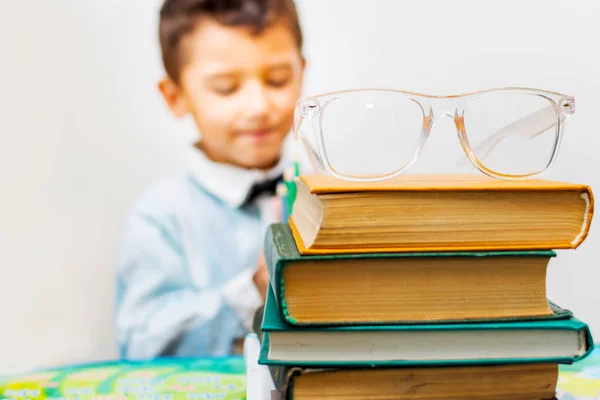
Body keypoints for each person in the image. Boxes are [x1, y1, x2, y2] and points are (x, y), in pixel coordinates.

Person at [115, 0, 305, 359]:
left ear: (302, 73)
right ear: (175, 96)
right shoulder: (158, 218)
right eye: (226, 88)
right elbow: (138, 344)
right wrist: (254, 291)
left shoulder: (329, 199)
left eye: (278, 80)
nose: (258, 107)